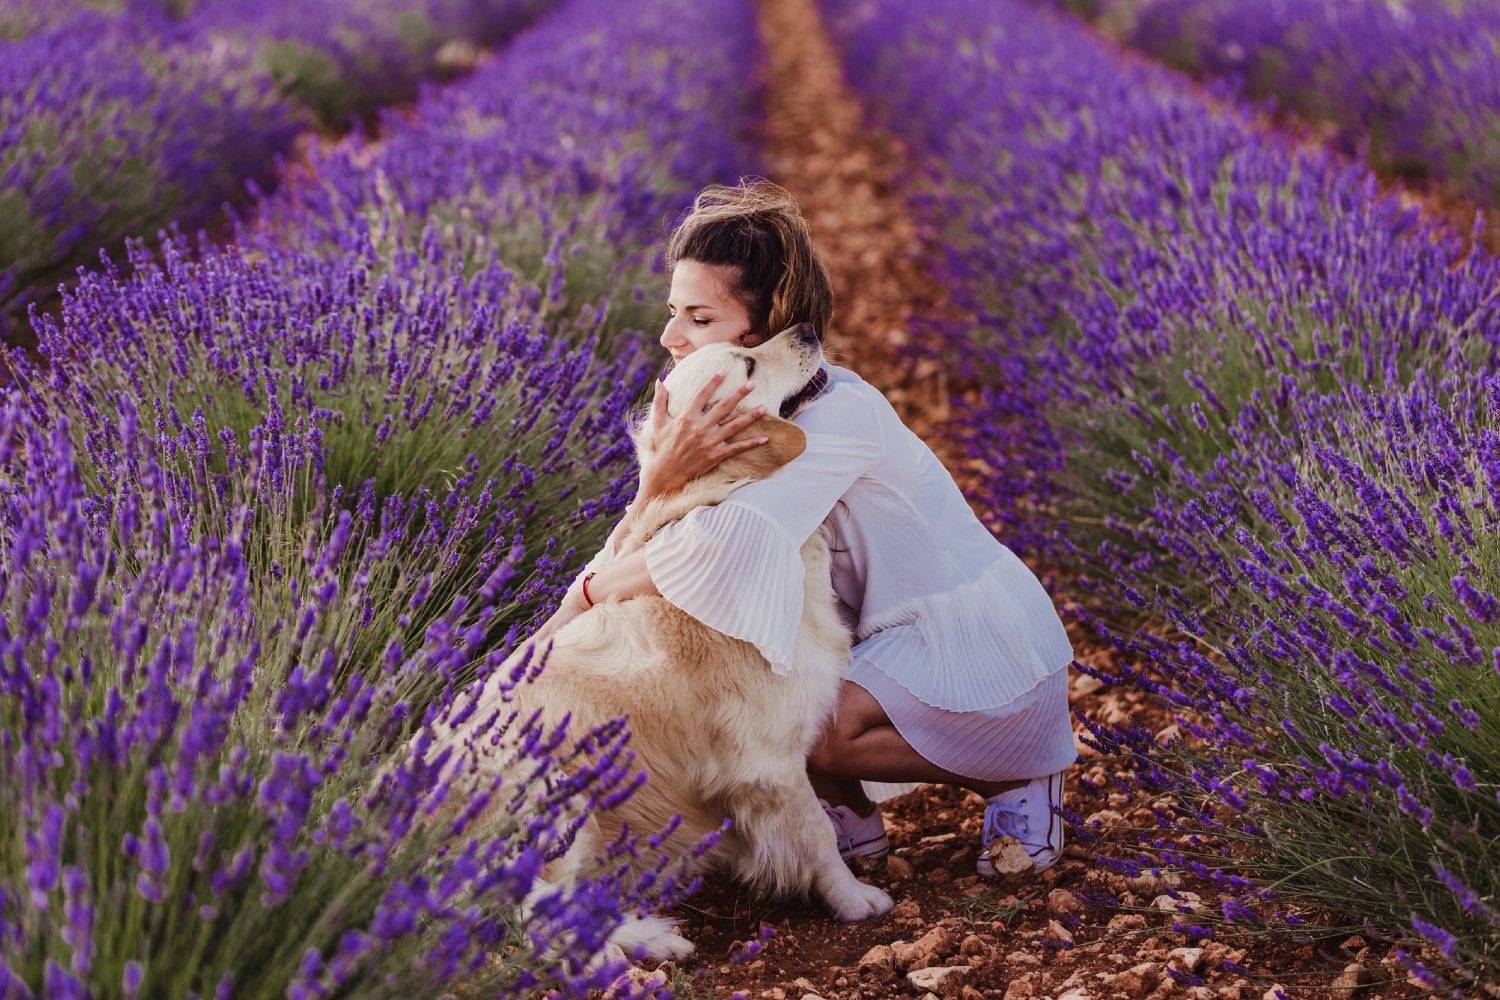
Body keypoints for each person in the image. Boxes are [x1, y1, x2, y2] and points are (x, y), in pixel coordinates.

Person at [534, 179, 1077, 876]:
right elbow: (651, 534)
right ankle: (846, 816)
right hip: (886, 643)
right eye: (673, 312)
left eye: (699, 319)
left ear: (764, 332)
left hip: (981, 643)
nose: (670, 338)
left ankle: (1016, 772)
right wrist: (650, 490)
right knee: (754, 686)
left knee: (803, 727)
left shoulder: (838, 416)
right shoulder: (734, 405)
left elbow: (715, 554)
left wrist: (583, 597)